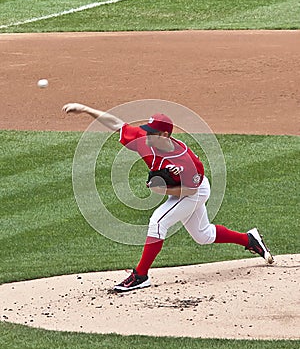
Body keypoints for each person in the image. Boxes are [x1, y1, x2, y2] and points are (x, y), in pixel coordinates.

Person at [62, 102, 274, 292]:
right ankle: (250, 239)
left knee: (157, 222)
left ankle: (140, 275)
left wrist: (161, 191)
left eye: (152, 132)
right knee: (203, 235)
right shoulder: (144, 139)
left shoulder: (187, 160)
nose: (146, 134)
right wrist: (85, 109)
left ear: (164, 135)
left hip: (195, 190)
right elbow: (117, 124)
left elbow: (190, 191)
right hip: (184, 191)